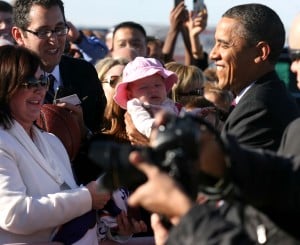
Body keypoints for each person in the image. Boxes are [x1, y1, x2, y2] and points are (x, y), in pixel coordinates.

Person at [0, 44, 111, 244]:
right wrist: (87, 197)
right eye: (29, 82)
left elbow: (69, 211)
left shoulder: (52, 141)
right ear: (5, 85)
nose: (40, 90)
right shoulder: (2, 142)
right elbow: (13, 214)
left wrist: (112, 228)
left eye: (43, 81)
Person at [208, 3, 300, 151]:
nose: (213, 54)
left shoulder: (258, 109)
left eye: (224, 45)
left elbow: (227, 170)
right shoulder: (259, 99)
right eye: (215, 43)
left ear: (260, 53)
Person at [11, 0, 106, 133]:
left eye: (60, 29)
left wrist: (83, 131)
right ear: (19, 36)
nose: (54, 40)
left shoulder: (84, 73)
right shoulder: (8, 81)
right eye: (43, 32)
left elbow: (102, 132)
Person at [113, 56, 179, 138]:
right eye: (144, 87)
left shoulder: (168, 102)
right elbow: (143, 122)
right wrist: (155, 128)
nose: (153, 90)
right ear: (130, 95)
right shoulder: (136, 105)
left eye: (157, 85)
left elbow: (181, 113)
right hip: (157, 136)